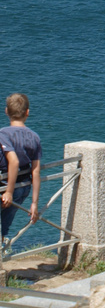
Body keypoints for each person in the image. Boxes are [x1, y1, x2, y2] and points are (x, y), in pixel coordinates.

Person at [0, 93, 41, 241]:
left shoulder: (3, 134)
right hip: (24, 188)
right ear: (27, 112)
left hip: (5, 188)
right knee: (6, 220)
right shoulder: (34, 137)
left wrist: (9, 192)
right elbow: (36, 171)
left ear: (6, 111)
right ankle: (2, 245)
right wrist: (34, 203)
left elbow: (14, 162)